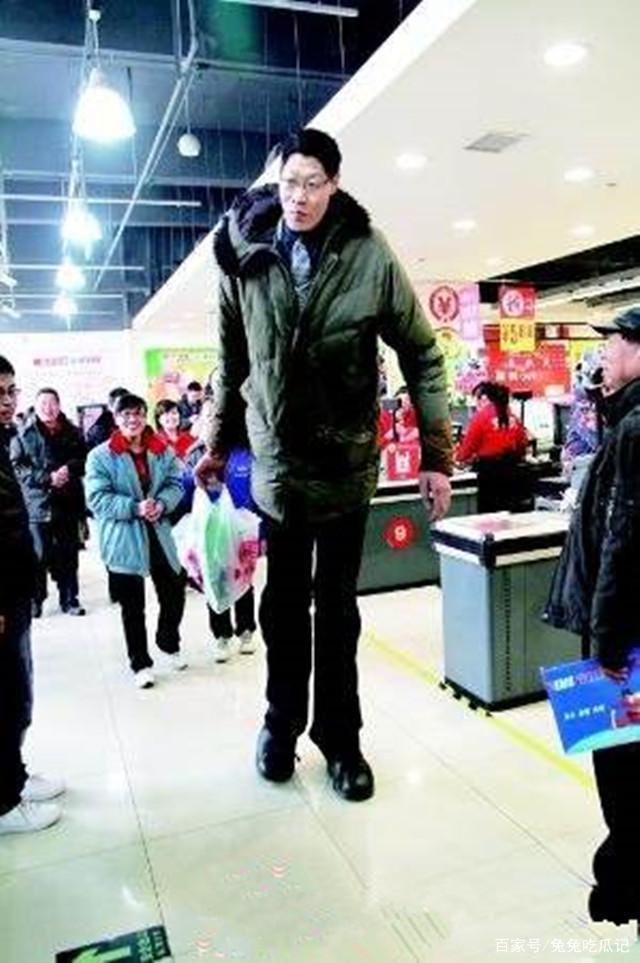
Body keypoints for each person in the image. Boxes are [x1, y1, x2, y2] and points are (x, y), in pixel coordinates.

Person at [195, 128, 452, 802]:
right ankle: (278, 725)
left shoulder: (368, 253)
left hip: (345, 465)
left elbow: (422, 352)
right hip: (277, 470)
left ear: (334, 185)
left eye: (313, 183)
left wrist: (436, 455)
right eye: (289, 183)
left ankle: (341, 739)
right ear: (276, 182)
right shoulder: (243, 252)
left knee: (337, 613)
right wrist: (216, 445)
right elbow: (231, 362)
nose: (299, 197)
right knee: (282, 610)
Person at [545, 306, 640, 925]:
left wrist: (604, 639)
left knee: (622, 762)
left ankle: (624, 883)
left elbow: (621, 540)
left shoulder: (635, 431)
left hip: (626, 636)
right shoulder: (624, 420)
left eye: (615, 341)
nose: (604, 351)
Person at [0, 356, 64, 834]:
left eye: (11, 391)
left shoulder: (4, 440)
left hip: (15, 587)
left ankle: (14, 778)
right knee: (3, 696)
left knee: (17, 691)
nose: (7, 402)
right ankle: (3, 804)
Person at [85, 393, 188, 689]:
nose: (133, 420)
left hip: (158, 532)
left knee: (174, 590)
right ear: (116, 419)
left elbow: (175, 483)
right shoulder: (101, 456)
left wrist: (162, 503)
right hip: (124, 538)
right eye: (126, 415)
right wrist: (134, 507)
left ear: (145, 417)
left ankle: (168, 640)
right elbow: (97, 498)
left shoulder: (161, 449)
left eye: (138, 414)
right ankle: (140, 663)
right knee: (132, 606)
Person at [11, 387, 87, 617]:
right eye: (43, 403)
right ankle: (36, 600)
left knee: (69, 553)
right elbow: (17, 466)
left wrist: (69, 470)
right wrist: (47, 478)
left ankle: (70, 599)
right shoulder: (23, 434)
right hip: (38, 504)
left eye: (52, 402)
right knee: (38, 555)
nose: (48, 407)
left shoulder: (73, 431)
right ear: (36, 407)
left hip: (68, 502)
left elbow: (85, 459)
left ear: (59, 405)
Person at [181, 439, 257, 663]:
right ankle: (221, 635)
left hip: (243, 525)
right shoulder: (196, 453)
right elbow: (185, 489)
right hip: (210, 527)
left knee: (243, 579)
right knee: (214, 580)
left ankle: (246, 630)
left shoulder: (245, 451)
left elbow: (257, 487)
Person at [456, 381, 529, 513]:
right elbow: (522, 445)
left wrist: (459, 459)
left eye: (477, 399)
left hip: (489, 475)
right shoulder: (513, 417)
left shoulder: (481, 417)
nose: (476, 404)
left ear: (484, 398)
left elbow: (466, 450)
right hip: (512, 473)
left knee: (489, 515)